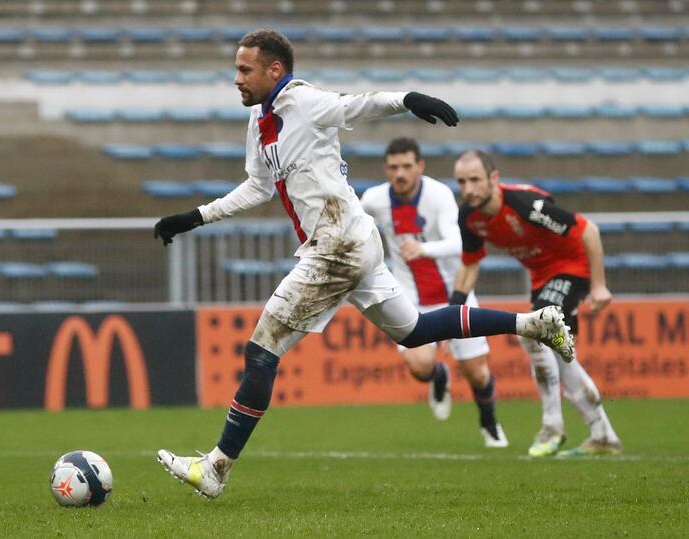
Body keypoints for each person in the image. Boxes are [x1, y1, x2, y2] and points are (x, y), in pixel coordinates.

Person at [153, 29, 575, 499]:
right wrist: (194, 217)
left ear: (275, 70)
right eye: (236, 68)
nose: (236, 78)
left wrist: (410, 99)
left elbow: (360, 104)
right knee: (414, 331)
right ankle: (533, 325)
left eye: (244, 69)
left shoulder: (303, 102)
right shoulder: (259, 123)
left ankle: (217, 467)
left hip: (337, 244)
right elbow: (257, 187)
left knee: (261, 351)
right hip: (352, 240)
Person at [451, 149, 623, 458]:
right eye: (461, 182)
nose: (468, 189)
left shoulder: (526, 205)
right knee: (560, 354)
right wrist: (455, 305)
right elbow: (470, 262)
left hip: (573, 268)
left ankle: (553, 427)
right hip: (542, 278)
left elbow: (589, 231)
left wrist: (599, 286)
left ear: (494, 178)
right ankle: (603, 434)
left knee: (531, 334)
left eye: (475, 180)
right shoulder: (469, 216)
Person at [360, 137, 507, 448]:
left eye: (407, 166)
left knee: (478, 375)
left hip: (456, 291)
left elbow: (459, 242)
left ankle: (489, 422)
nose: (400, 173)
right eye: (394, 167)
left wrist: (423, 248)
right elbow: (354, 229)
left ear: (420, 167)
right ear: (385, 169)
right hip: (409, 296)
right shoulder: (373, 200)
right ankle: (439, 376)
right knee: (419, 366)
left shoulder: (438, 194)